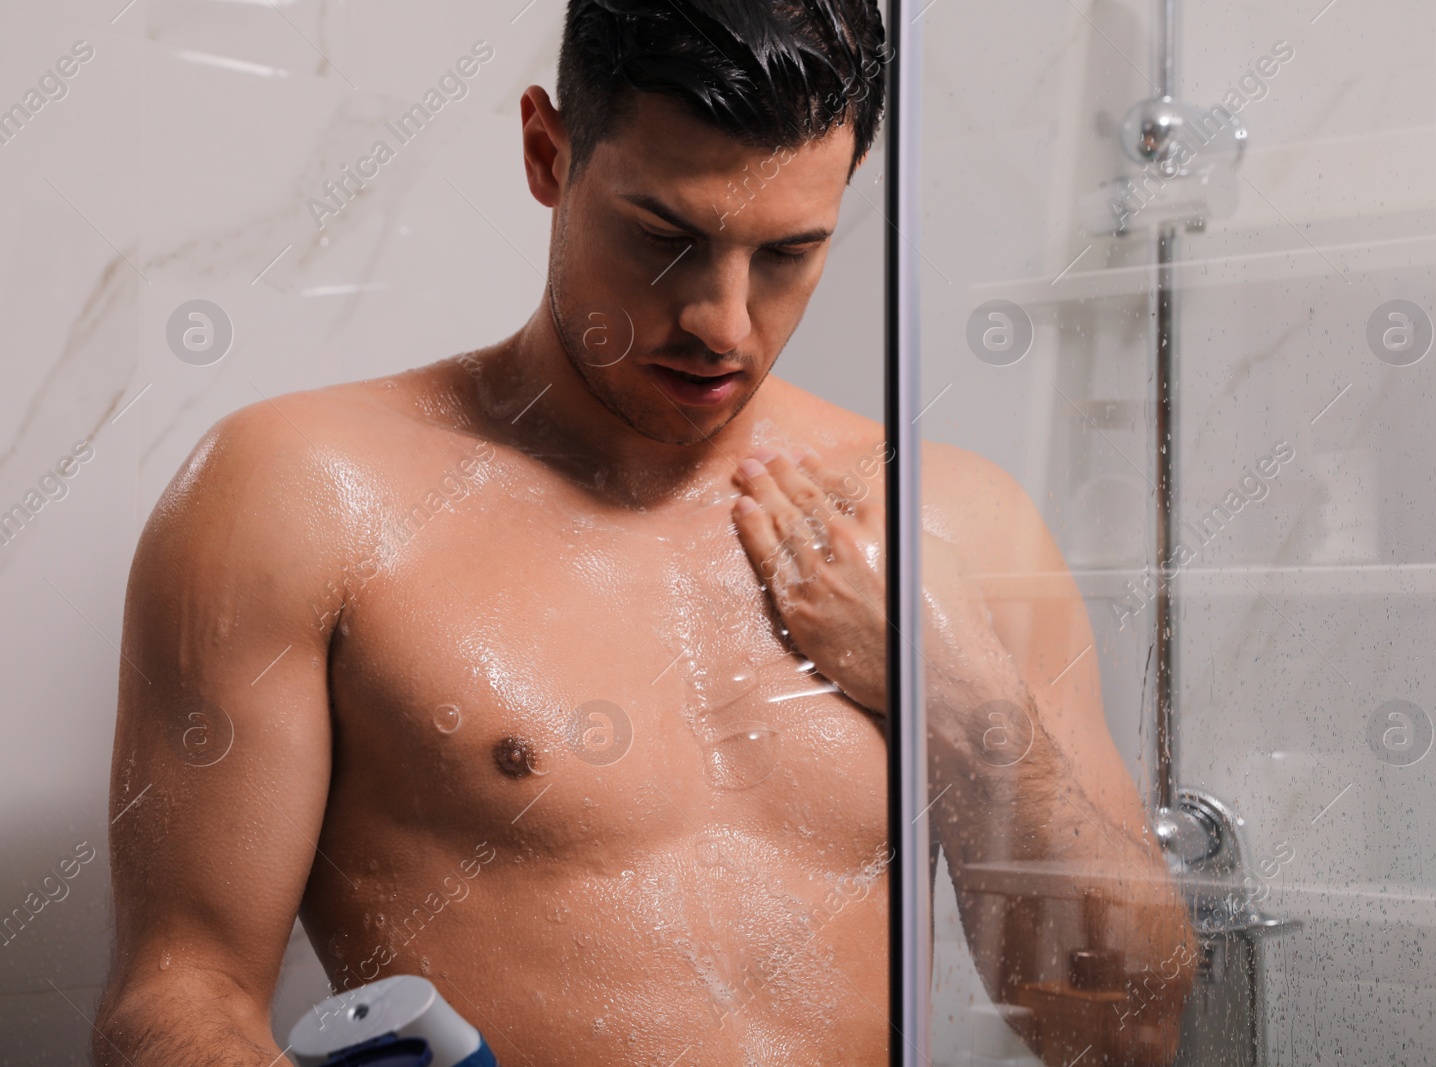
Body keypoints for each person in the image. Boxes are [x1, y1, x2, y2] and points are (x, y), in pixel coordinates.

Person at [94, 1, 1194, 1063]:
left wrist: (949, 680)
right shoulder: (299, 493)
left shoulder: (949, 514)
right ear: (546, 151)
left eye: (786, 255)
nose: (722, 322)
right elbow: (175, 997)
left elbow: (1121, 1030)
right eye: (665, 237)